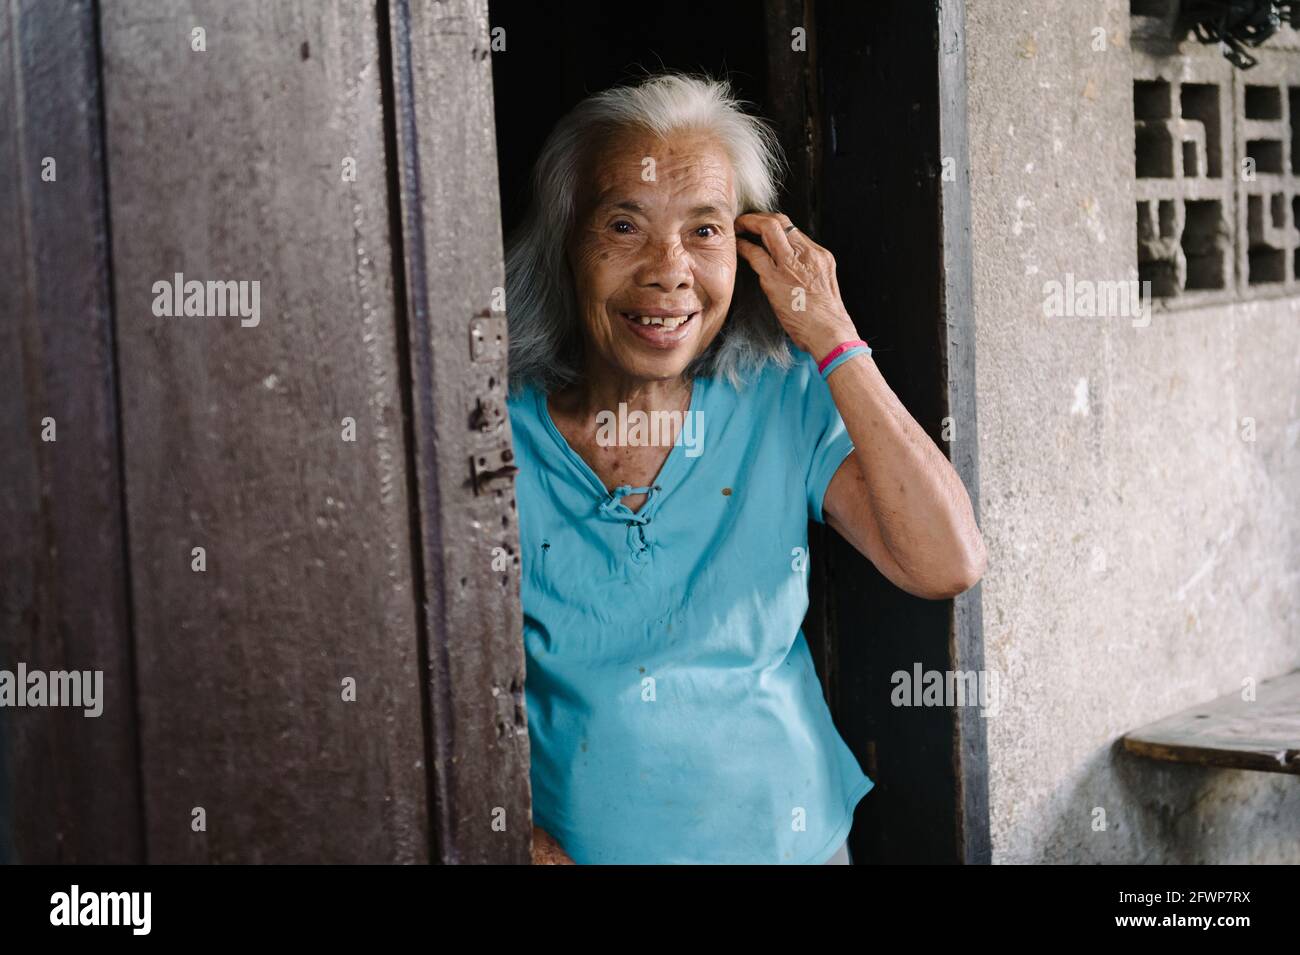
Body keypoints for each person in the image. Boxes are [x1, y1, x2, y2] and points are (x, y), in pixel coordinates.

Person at [505, 72, 987, 864]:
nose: (669, 271)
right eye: (625, 225)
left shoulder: (778, 399)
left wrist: (833, 336)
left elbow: (948, 561)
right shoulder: (497, 435)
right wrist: (502, 829)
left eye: (704, 231)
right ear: (563, 242)